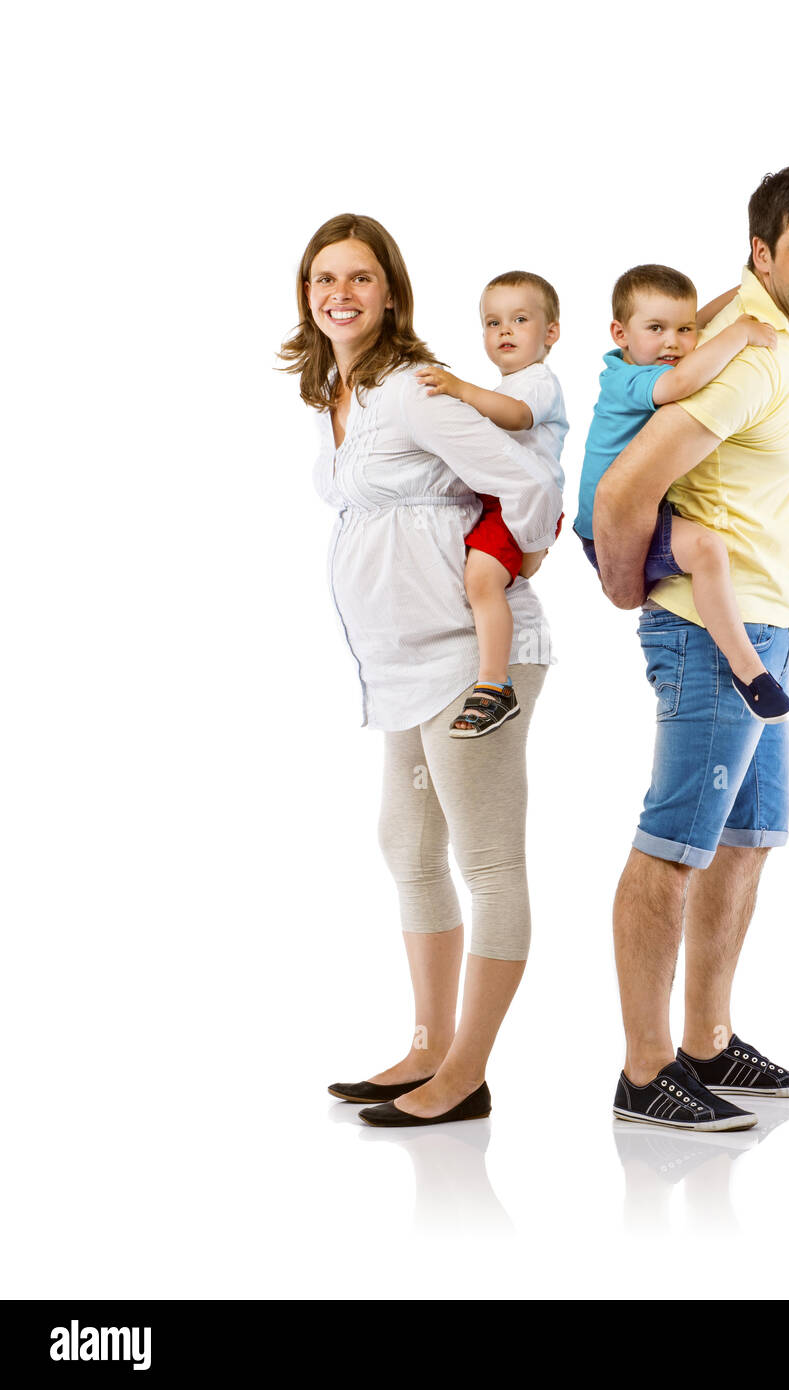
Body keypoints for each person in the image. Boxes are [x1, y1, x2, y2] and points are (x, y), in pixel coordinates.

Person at [278, 214, 562, 1127]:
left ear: (390, 292)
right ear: (307, 294)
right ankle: (428, 1046)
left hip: (475, 659)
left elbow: (531, 485)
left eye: (360, 277)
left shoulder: (408, 391)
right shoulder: (341, 394)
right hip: (399, 668)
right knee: (407, 847)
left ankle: (466, 1073)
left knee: (487, 860)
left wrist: (498, 569)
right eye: (325, 279)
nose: (340, 294)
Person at [593, 166, 789, 1130]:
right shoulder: (748, 359)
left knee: (744, 843)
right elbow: (624, 493)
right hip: (713, 634)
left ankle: (706, 1044)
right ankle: (643, 1071)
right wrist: (628, 585)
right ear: (762, 253)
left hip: (765, 630)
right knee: (671, 849)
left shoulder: (773, 328)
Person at [573, 264, 789, 722]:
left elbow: (701, 322)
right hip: (610, 530)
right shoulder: (627, 378)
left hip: (646, 513)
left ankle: (745, 663)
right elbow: (681, 382)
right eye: (656, 329)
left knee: (709, 550)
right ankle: (747, 668)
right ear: (621, 333)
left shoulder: (655, 352)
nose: (672, 342)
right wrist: (742, 333)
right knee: (708, 550)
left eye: (682, 329)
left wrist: (749, 291)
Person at [416, 271, 568, 738]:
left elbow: (517, 417)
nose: (504, 330)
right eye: (492, 322)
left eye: (519, 319)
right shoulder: (503, 388)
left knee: (481, 581)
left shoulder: (537, 381)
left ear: (551, 333)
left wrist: (459, 390)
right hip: (496, 503)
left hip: (520, 506)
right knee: (471, 580)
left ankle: (495, 684)